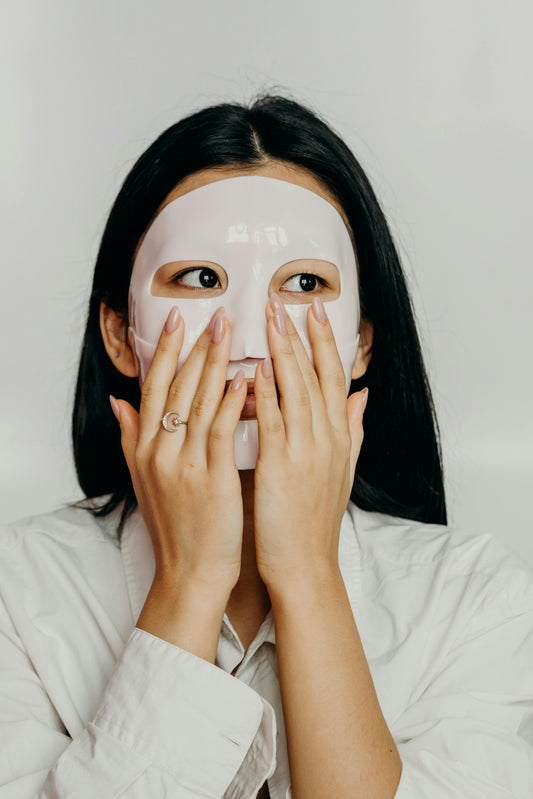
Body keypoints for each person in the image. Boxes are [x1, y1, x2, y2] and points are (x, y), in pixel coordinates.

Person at [1, 94, 532, 799]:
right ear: (119, 333)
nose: (249, 338)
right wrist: (188, 581)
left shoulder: (470, 597)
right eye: (199, 278)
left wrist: (309, 572)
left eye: (304, 283)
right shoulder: (16, 590)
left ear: (361, 341)